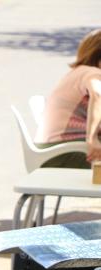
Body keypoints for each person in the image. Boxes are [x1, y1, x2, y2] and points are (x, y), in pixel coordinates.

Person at [39, 29, 101, 168]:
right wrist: (92, 139)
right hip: (64, 152)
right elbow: (97, 95)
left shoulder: (78, 73)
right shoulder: (92, 73)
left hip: (53, 150)